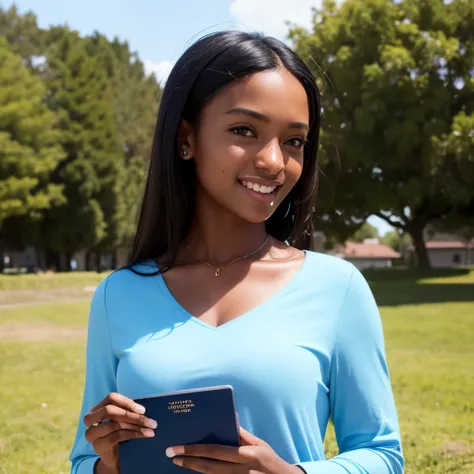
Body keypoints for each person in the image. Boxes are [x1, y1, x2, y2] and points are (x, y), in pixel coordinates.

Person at [69, 30, 404, 474]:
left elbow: (383, 456)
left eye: (294, 141)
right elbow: (82, 461)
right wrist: (107, 462)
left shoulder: (337, 288)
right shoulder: (118, 296)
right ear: (185, 138)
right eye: (244, 130)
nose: (274, 161)